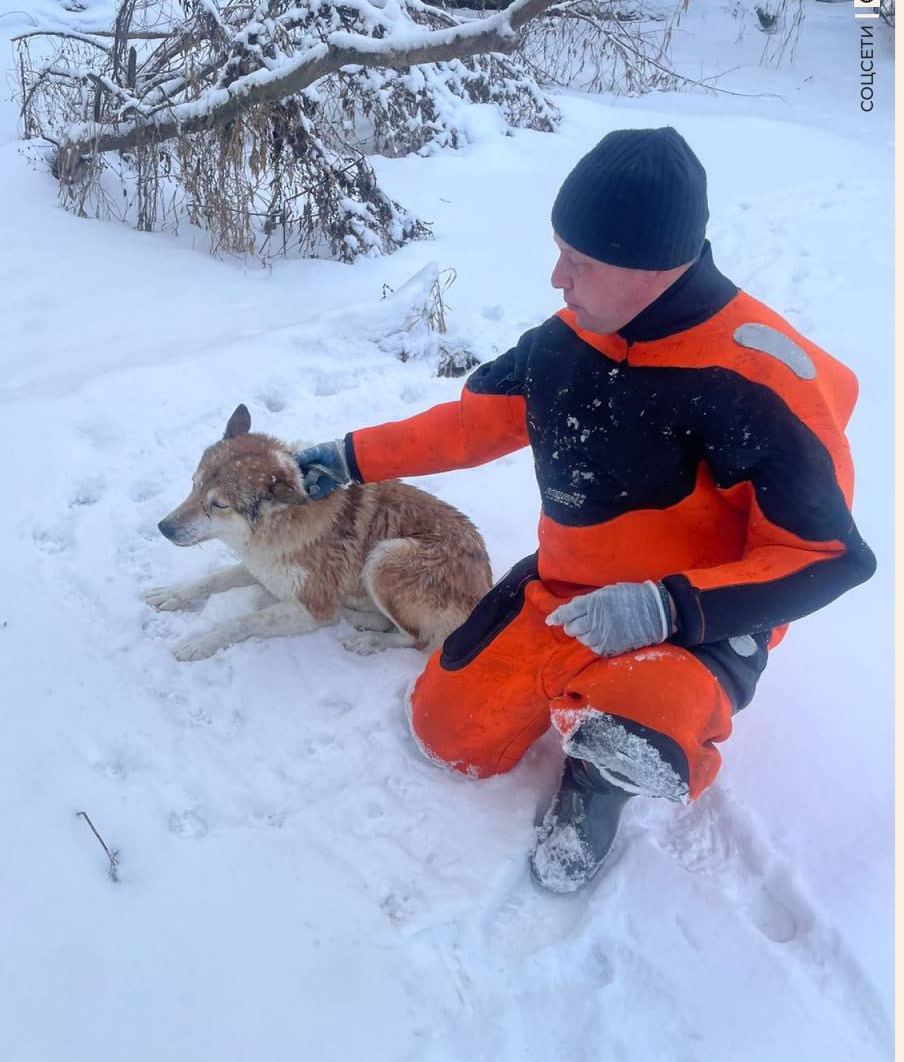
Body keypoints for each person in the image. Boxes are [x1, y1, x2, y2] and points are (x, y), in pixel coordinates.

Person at [293, 127, 876, 894]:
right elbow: (470, 426)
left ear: (658, 268)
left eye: (583, 262)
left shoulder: (760, 381)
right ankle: (585, 698)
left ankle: (602, 776)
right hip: (568, 590)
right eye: (560, 249)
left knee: (644, 717)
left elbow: (828, 558)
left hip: (697, 624)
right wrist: (348, 456)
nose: (556, 277)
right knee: (450, 737)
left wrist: (665, 608)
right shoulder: (565, 343)